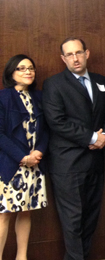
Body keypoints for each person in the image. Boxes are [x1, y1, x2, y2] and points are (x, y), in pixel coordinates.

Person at [43, 37, 105, 260]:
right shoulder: (54, 84)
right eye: (69, 54)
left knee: (90, 217)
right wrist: (92, 137)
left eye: (78, 52)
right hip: (67, 163)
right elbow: (57, 121)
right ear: (63, 58)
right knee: (72, 219)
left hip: (96, 161)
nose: (75, 58)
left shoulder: (102, 81)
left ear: (87, 53)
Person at [0, 54, 48, 260]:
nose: (28, 71)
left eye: (31, 68)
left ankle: (22, 257)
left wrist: (39, 151)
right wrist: (22, 157)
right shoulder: (2, 97)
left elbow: (47, 130)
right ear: (11, 73)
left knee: (26, 211)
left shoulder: (39, 97)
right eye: (21, 68)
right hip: (10, 165)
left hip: (34, 165)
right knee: (4, 215)